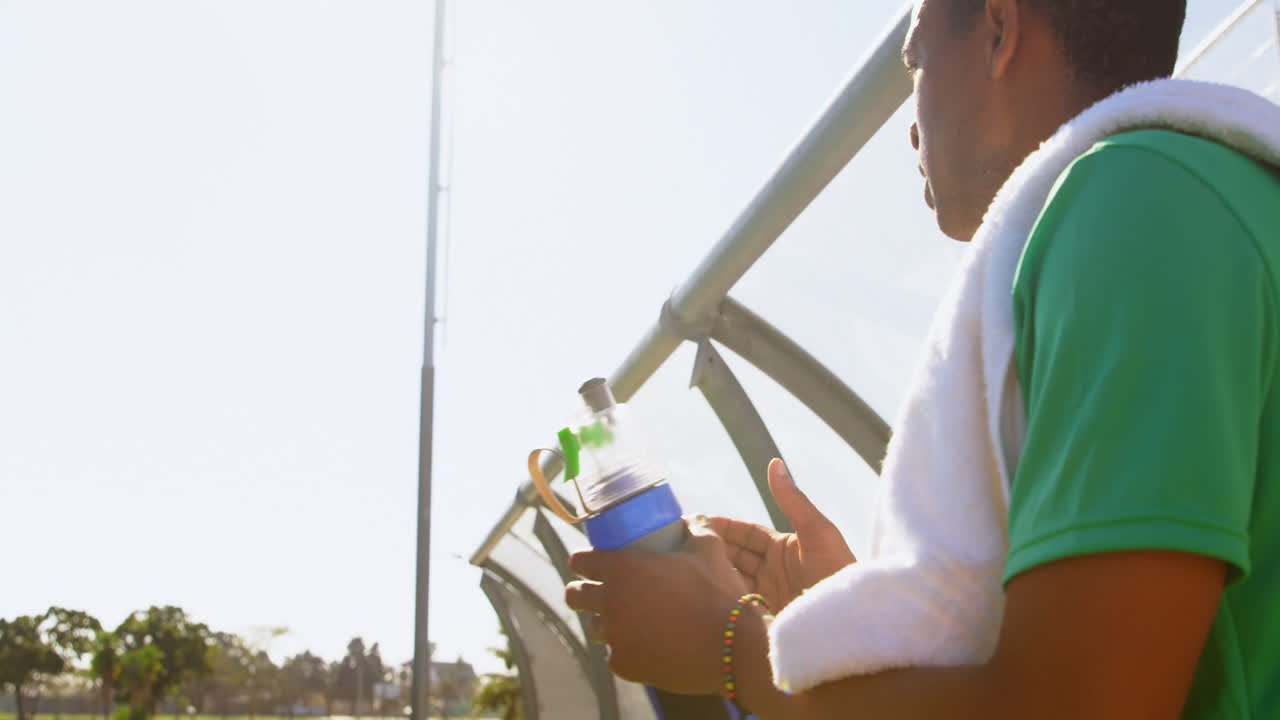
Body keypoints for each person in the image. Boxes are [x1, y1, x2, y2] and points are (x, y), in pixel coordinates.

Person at [566, 0, 1280, 717]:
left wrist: (734, 649)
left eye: (917, 63)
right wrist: (852, 623)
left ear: (999, 32)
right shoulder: (1204, 198)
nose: (910, 119)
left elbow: (1081, 703)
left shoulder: (1138, 204)